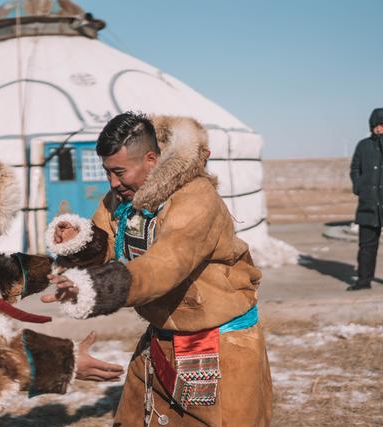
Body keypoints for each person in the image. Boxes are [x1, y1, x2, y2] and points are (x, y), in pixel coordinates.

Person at [38, 112, 272, 426]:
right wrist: (79, 241)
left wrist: (93, 287)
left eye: (119, 172)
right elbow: (107, 237)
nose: (113, 183)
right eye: (107, 172)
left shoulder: (195, 201)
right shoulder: (125, 197)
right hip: (161, 338)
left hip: (216, 344)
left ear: (151, 159)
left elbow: (164, 266)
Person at [348, 108, 383, 291]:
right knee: (366, 247)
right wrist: (359, 187)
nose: (380, 129)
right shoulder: (363, 145)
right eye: (377, 125)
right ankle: (363, 281)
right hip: (368, 206)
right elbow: (355, 169)